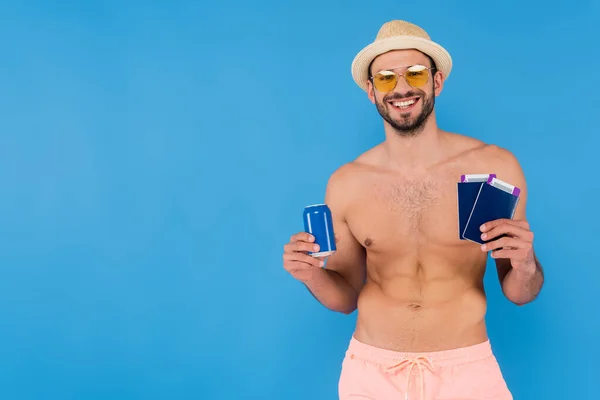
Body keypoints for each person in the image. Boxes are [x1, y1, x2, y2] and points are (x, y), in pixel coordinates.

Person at [282, 20, 545, 400]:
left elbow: (520, 292)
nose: (402, 88)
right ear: (371, 92)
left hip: (466, 372)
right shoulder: (347, 183)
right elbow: (344, 299)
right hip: (371, 375)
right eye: (386, 78)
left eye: (415, 73)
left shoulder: (493, 168)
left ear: (436, 81)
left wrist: (526, 264)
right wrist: (309, 275)